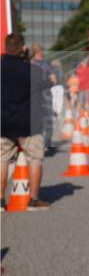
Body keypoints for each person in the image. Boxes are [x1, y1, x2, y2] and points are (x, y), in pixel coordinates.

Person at [1, 34, 51, 210]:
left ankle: (0, 201)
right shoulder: (33, 70)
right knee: (35, 160)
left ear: (5, 48)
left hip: (4, 123)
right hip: (29, 124)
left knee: (2, 160)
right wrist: (28, 59)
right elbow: (47, 84)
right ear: (23, 48)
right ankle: (33, 199)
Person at [30, 44, 57, 148]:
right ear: (39, 52)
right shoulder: (46, 64)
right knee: (48, 120)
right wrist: (48, 83)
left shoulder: (29, 63)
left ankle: (41, 143)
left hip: (34, 96)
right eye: (42, 51)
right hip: (45, 95)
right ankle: (46, 142)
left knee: (37, 120)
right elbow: (54, 79)